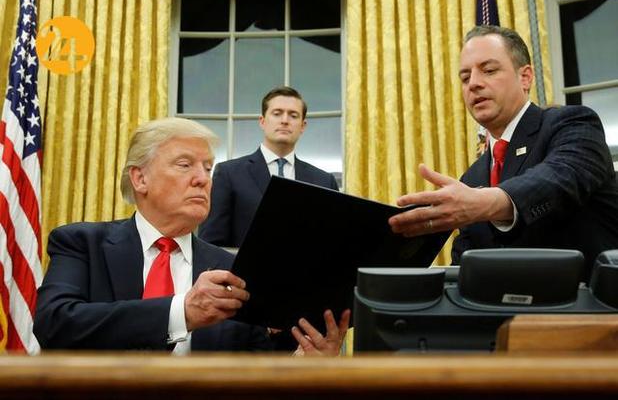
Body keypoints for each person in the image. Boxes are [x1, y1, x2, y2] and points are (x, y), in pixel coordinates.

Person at [34, 117, 349, 354]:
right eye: (185, 165)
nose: (203, 179)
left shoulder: (232, 270)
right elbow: (54, 326)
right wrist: (182, 312)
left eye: (208, 168)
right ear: (140, 178)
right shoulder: (81, 243)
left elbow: (256, 368)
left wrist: (303, 362)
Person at [388, 25, 618, 281]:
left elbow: (561, 179)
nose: (474, 84)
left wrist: (486, 204)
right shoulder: (471, 179)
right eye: (465, 77)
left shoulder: (572, 123)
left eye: (489, 70)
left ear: (525, 77)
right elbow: (462, 272)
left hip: (587, 302)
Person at [198, 86, 339, 247]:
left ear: (303, 126)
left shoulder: (324, 181)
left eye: (293, 115)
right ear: (262, 121)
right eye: (277, 113)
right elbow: (210, 244)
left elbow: (333, 243)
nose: (285, 120)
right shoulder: (229, 174)